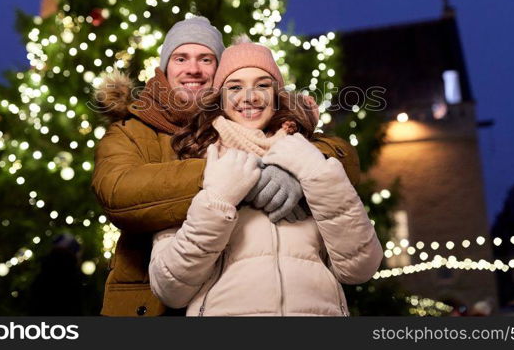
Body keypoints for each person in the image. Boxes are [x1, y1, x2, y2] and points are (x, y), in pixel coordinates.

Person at [92, 17, 361, 316]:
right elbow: (119, 192)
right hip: (149, 304)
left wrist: (299, 168)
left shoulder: (269, 126)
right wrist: (241, 177)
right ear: (165, 68)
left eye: (205, 59)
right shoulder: (133, 129)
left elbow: (341, 154)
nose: (193, 68)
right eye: (181, 58)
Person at [148, 37, 384, 315]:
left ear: (277, 96)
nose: (250, 96)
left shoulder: (307, 154)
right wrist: (218, 200)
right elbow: (170, 288)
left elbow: (361, 267)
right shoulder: (197, 161)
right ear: (220, 99)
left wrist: (315, 174)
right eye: (235, 87)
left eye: (262, 85)